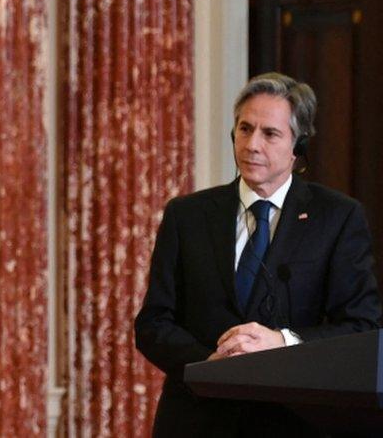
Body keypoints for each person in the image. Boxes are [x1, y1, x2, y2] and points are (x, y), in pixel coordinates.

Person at [134, 72, 381, 436]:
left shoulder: (338, 217)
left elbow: (361, 326)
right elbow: (153, 324)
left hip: (294, 421)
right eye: (245, 129)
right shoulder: (186, 215)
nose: (251, 145)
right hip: (198, 419)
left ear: (299, 146)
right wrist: (210, 365)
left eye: (270, 133)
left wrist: (282, 342)